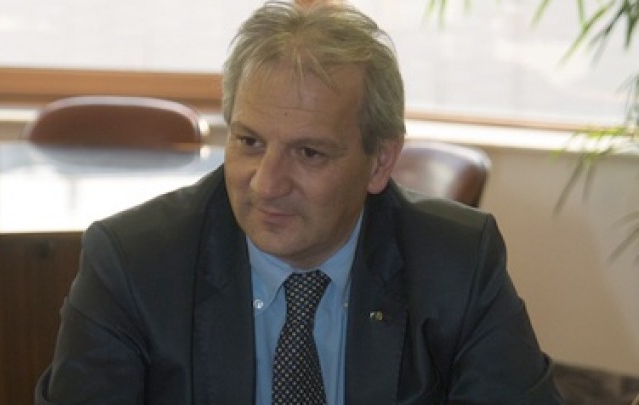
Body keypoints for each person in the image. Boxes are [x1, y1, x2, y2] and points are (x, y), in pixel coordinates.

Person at [35, 1, 563, 404]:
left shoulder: (457, 261)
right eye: (249, 142)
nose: (266, 185)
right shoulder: (132, 263)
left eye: (309, 153)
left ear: (380, 162)